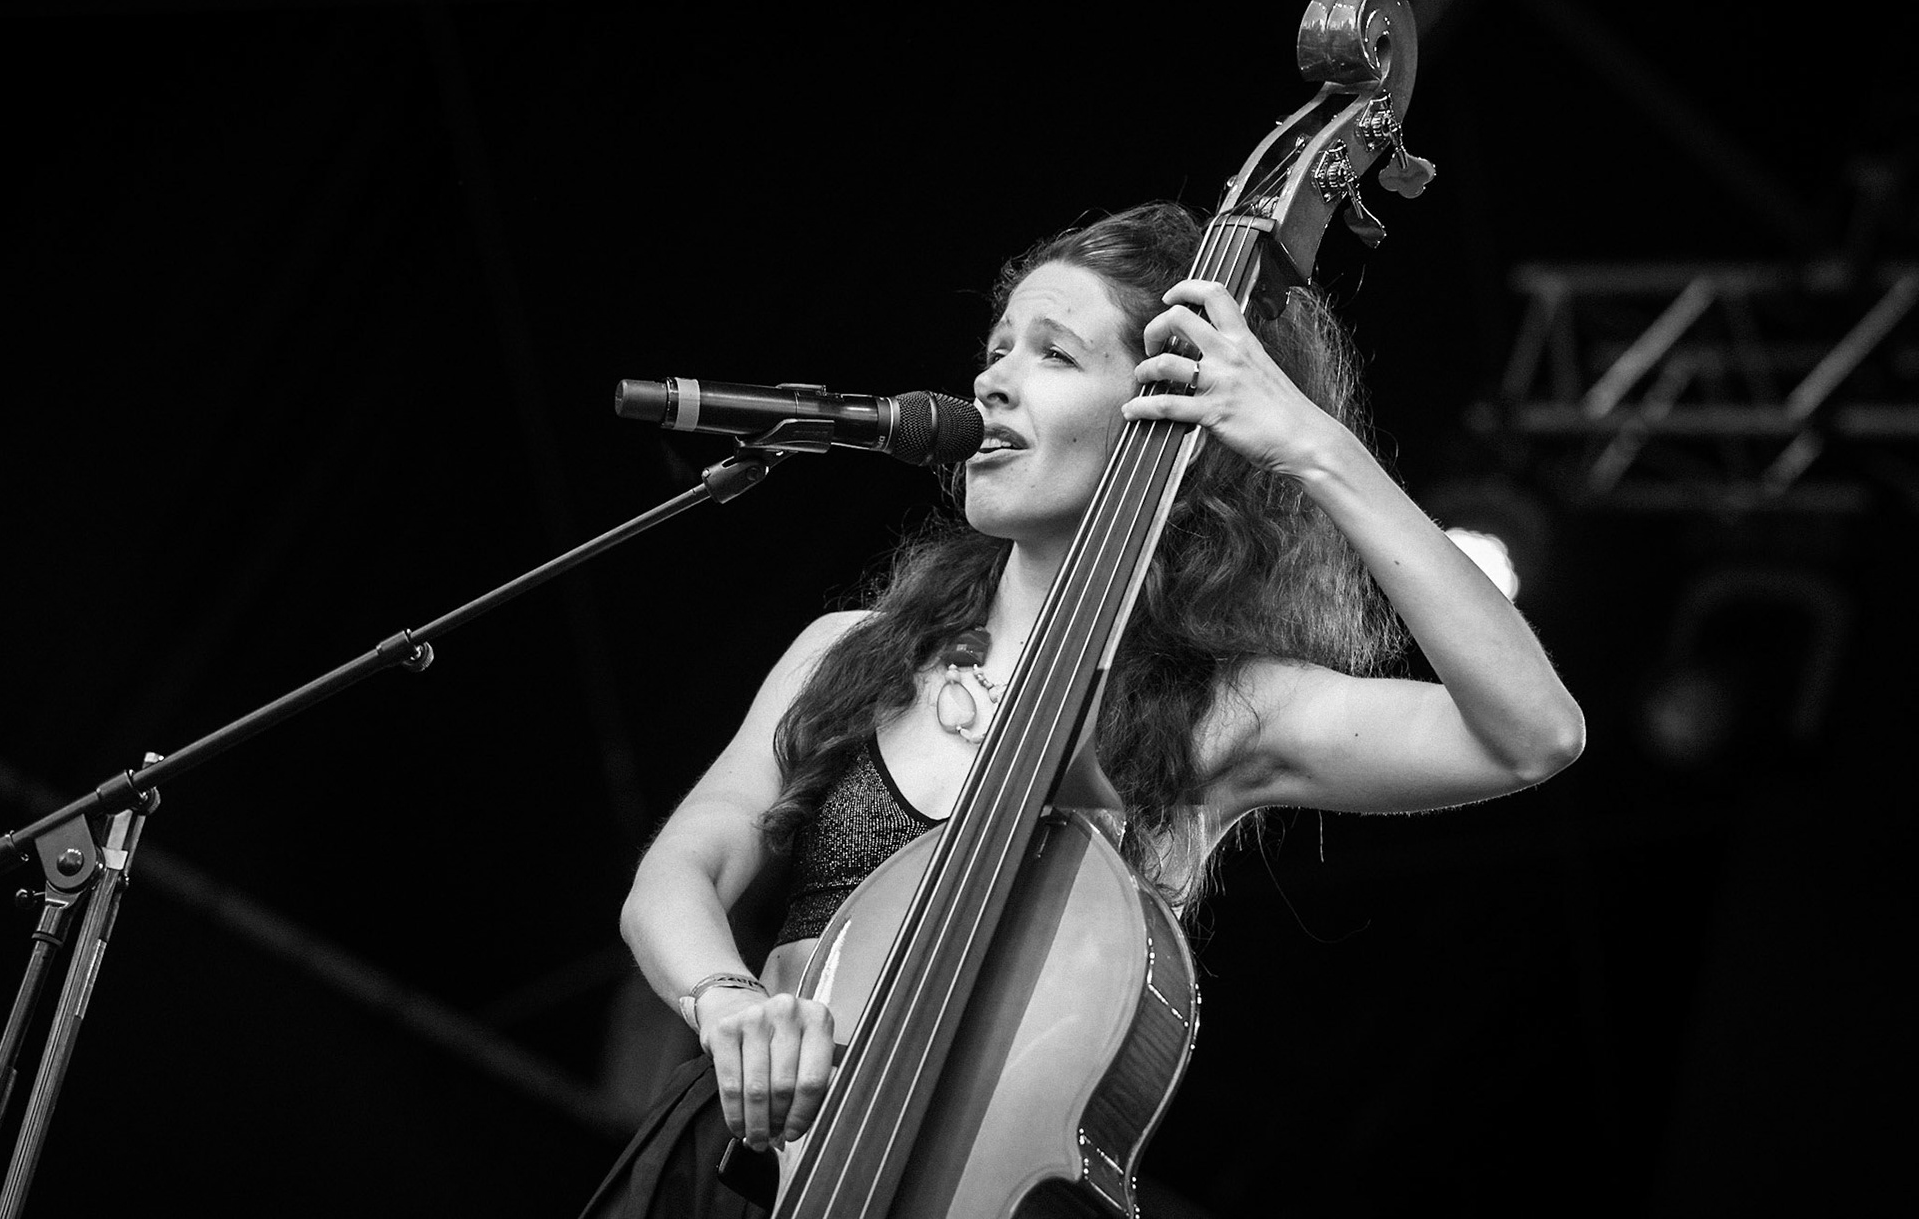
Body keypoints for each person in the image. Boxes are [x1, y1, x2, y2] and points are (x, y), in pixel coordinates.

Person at [577, 201, 1585, 1218]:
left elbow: (1531, 731)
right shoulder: (852, 652)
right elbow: (680, 867)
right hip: (731, 1179)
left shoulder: (1218, 713)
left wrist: (1314, 447)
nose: (992, 378)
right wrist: (726, 998)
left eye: (1053, 354)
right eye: (996, 348)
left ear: (1170, 410)